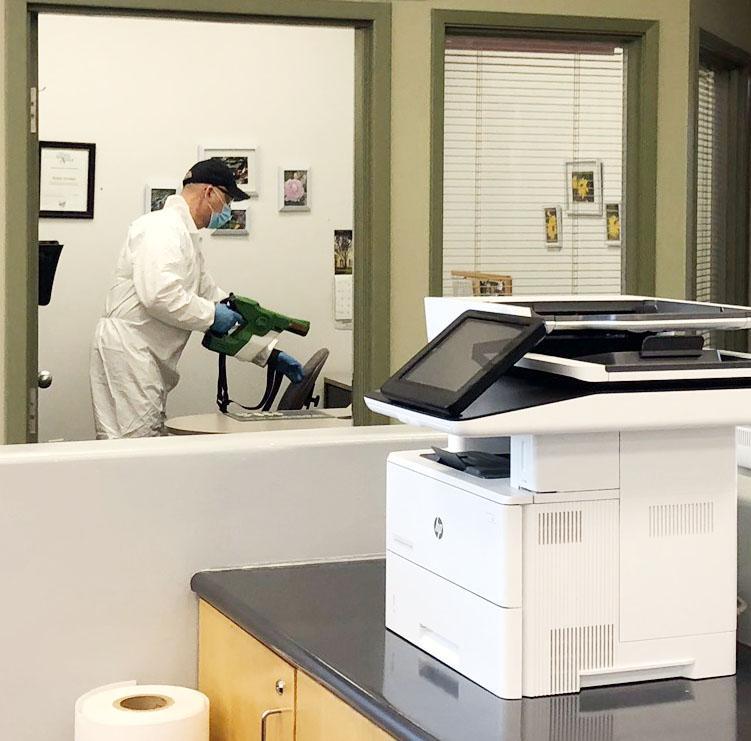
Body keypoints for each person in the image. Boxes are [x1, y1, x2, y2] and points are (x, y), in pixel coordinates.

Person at [90, 159, 304, 439]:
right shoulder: (162, 228)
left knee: (134, 443)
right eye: (227, 201)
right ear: (209, 192)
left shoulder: (186, 238)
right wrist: (213, 315)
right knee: (137, 445)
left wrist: (267, 353)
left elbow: (215, 299)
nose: (227, 211)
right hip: (131, 351)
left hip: (142, 353)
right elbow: (159, 295)